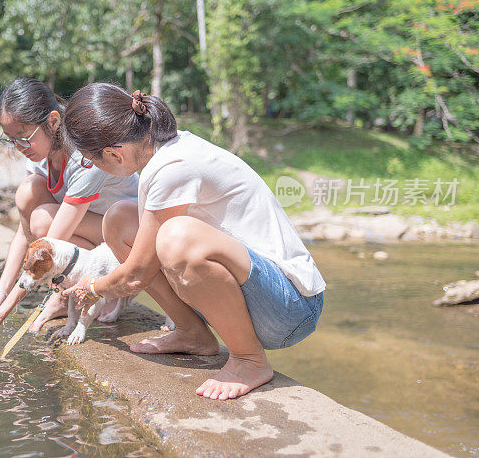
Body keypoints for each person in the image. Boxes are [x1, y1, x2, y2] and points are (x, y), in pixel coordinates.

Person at [60, 83, 325, 401]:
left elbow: (137, 273)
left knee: (177, 238)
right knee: (118, 219)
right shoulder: (163, 152)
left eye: (90, 161)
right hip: (261, 295)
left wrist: (92, 288)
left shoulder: (173, 167)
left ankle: (248, 360)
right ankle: (192, 333)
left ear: (114, 153)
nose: (93, 167)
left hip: (290, 308)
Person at [0, 78, 138, 346]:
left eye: (24, 138)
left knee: (43, 218)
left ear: (54, 121)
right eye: (11, 140)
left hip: (126, 241)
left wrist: (1, 316)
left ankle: (71, 295)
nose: (20, 148)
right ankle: (68, 292)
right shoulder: (40, 158)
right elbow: (24, 235)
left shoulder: (84, 155)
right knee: (28, 192)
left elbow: (50, 246)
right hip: (92, 235)